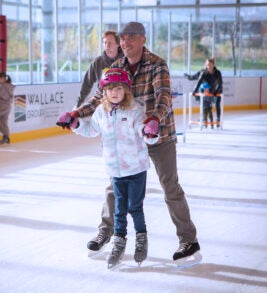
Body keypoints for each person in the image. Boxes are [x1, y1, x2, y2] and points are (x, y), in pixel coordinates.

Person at [60, 22, 200, 262]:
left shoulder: (157, 64)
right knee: (115, 183)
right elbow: (98, 97)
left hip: (159, 133)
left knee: (170, 187)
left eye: (131, 38)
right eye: (122, 39)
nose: (125, 43)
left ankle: (188, 239)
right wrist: (77, 114)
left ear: (143, 40)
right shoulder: (116, 66)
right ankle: (106, 231)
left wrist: (154, 118)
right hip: (127, 138)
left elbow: (164, 96)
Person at [57, 68, 158, 267]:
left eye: (118, 88)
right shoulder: (101, 112)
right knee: (119, 210)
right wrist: (75, 123)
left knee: (135, 208)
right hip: (115, 170)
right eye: (110, 88)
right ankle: (118, 243)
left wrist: (149, 132)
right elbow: (90, 130)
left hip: (136, 169)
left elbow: (142, 130)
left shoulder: (135, 110)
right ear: (104, 91)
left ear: (126, 90)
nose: (114, 92)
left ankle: (141, 239)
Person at [76, 30, 124, 107]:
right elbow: (87, 83)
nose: (107, 46)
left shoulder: (126, 60)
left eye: (110, 43)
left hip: (123, 102)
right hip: (103, 102)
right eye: (105, 43)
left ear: (118, 44)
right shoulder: (97, 62)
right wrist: (79, 104)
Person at [184, 57, 223, 127]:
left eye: (210, 65)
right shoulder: (204, 72)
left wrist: (216, 91)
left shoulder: (217, 73)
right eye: (207, 65)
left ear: (213, 65)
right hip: (209, 89)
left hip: (217, 89)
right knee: (204, 103)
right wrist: (195, 91)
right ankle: (204, 118)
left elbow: (220, 84)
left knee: (217, 103)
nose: (209, 67)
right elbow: (199, 82)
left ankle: (218, 119)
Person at [0, 72, 15, 144]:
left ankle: (6, 136)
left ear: (3, 79)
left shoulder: (3, 87)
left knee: (3, 122)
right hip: (7, 107)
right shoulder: (10, 86)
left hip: (2, 107)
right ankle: (6, 137)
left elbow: (2, 96)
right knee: (3, 122)